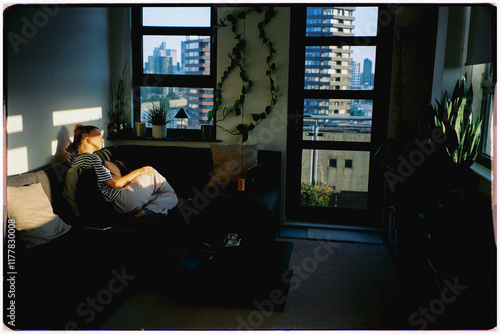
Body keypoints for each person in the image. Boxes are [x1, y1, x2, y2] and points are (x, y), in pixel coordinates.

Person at [66, 124, 178, 217]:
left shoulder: (75, 158)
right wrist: (139, 171)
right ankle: (174, 195)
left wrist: (77, 134)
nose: (102, 139)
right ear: (85, 136)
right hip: (120, 201)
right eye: (98, 134)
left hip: (118, 203)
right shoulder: (91, 158)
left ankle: (147, 211)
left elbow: (70, 149)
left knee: (165, 197)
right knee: (151, 171)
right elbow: (114, 184)